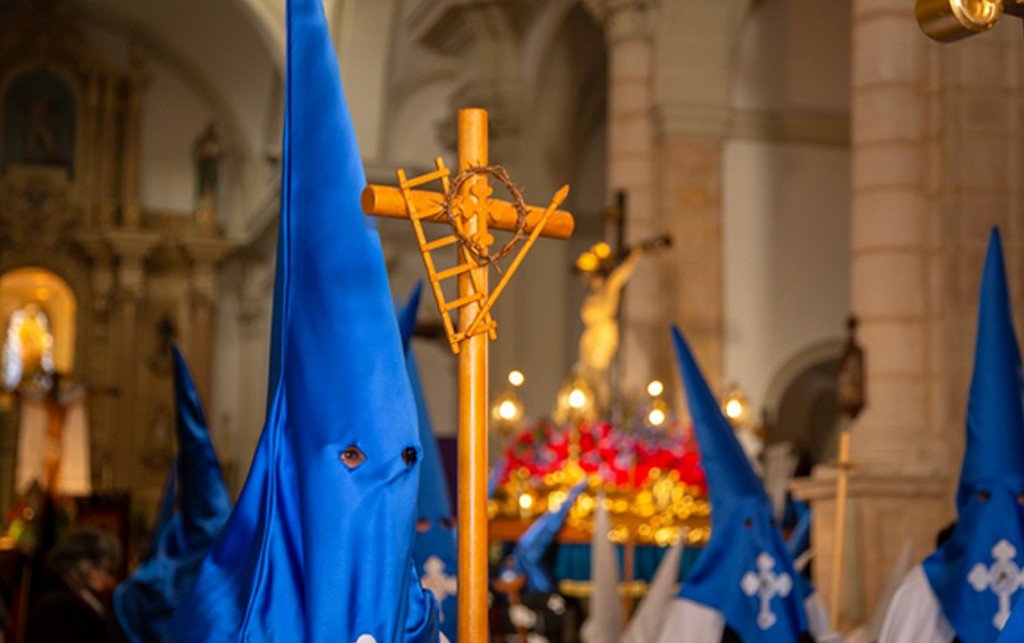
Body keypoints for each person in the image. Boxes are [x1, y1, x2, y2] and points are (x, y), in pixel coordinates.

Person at [574, 235, 670, 412]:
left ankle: (603, 410)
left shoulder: (609, 289)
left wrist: (637, 253)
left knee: (598, 377)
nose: (587, 280)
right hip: (591, 338)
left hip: (603, 335)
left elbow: (622, 273)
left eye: (590, 276)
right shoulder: (594, 297)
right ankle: (590, 413)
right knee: (584, 378)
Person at [24, 529, 127, 643]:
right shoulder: (61, 605)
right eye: (108, 571)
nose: (110, 581)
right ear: (85, 565)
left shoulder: (77, 598)